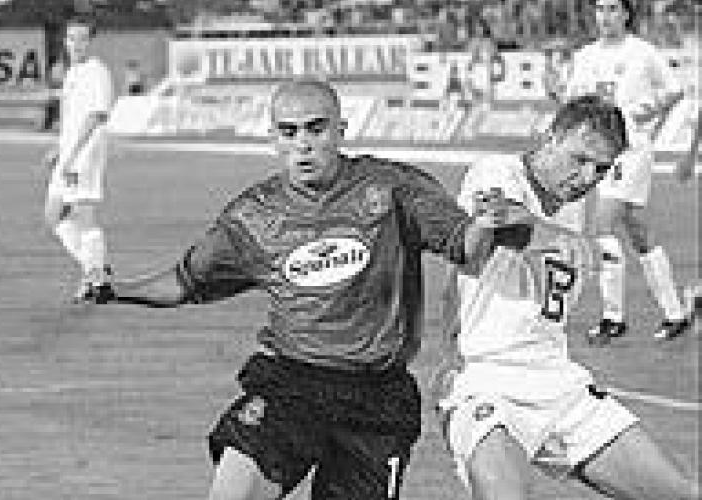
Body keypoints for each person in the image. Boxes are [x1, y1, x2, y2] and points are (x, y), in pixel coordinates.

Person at [89, 82, 617, 500]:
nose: (303, 144)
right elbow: (185, 282)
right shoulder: (252, 217)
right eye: (288, 132)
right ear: (273, 138)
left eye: (316, 129)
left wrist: (499, 223)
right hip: (290, 384)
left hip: (376, 400)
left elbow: (467, 248)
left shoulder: (393, 190)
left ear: (341, 129)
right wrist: (115, 290)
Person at [435, 95, 700, 500]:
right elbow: (497, 215)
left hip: (557, 381)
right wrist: (553, 236)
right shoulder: (499, 172)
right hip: (486, 379)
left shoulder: (573, 211)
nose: (587, 177)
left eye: (601, 169)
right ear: (551, 138)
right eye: (580, 159)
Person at [563, 0, 691, 342]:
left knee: (602, 226)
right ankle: (675, 313)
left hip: (629, 152)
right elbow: (573, 99)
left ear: (626, 14)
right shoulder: (586, 56)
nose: (604, 16)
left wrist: (650, 109)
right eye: (600, 9)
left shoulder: (642, 52)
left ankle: (613, 317)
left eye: (612, 9)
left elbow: (674, 90)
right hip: (600, 151)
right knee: (638, 230)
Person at [43, 15, 114, 302]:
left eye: (83, 38)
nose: (76, 44)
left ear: (91, 42)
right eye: (72, 38)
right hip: (70, 152)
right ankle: (94, 267)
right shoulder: (72, 72)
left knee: (83, 215)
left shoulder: (97, 71)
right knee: (53, 215)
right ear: (65, 40)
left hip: (86, 152)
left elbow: (96, 116)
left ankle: (96, 278)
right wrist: (59, 148)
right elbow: (71, 117)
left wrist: (72, 155)